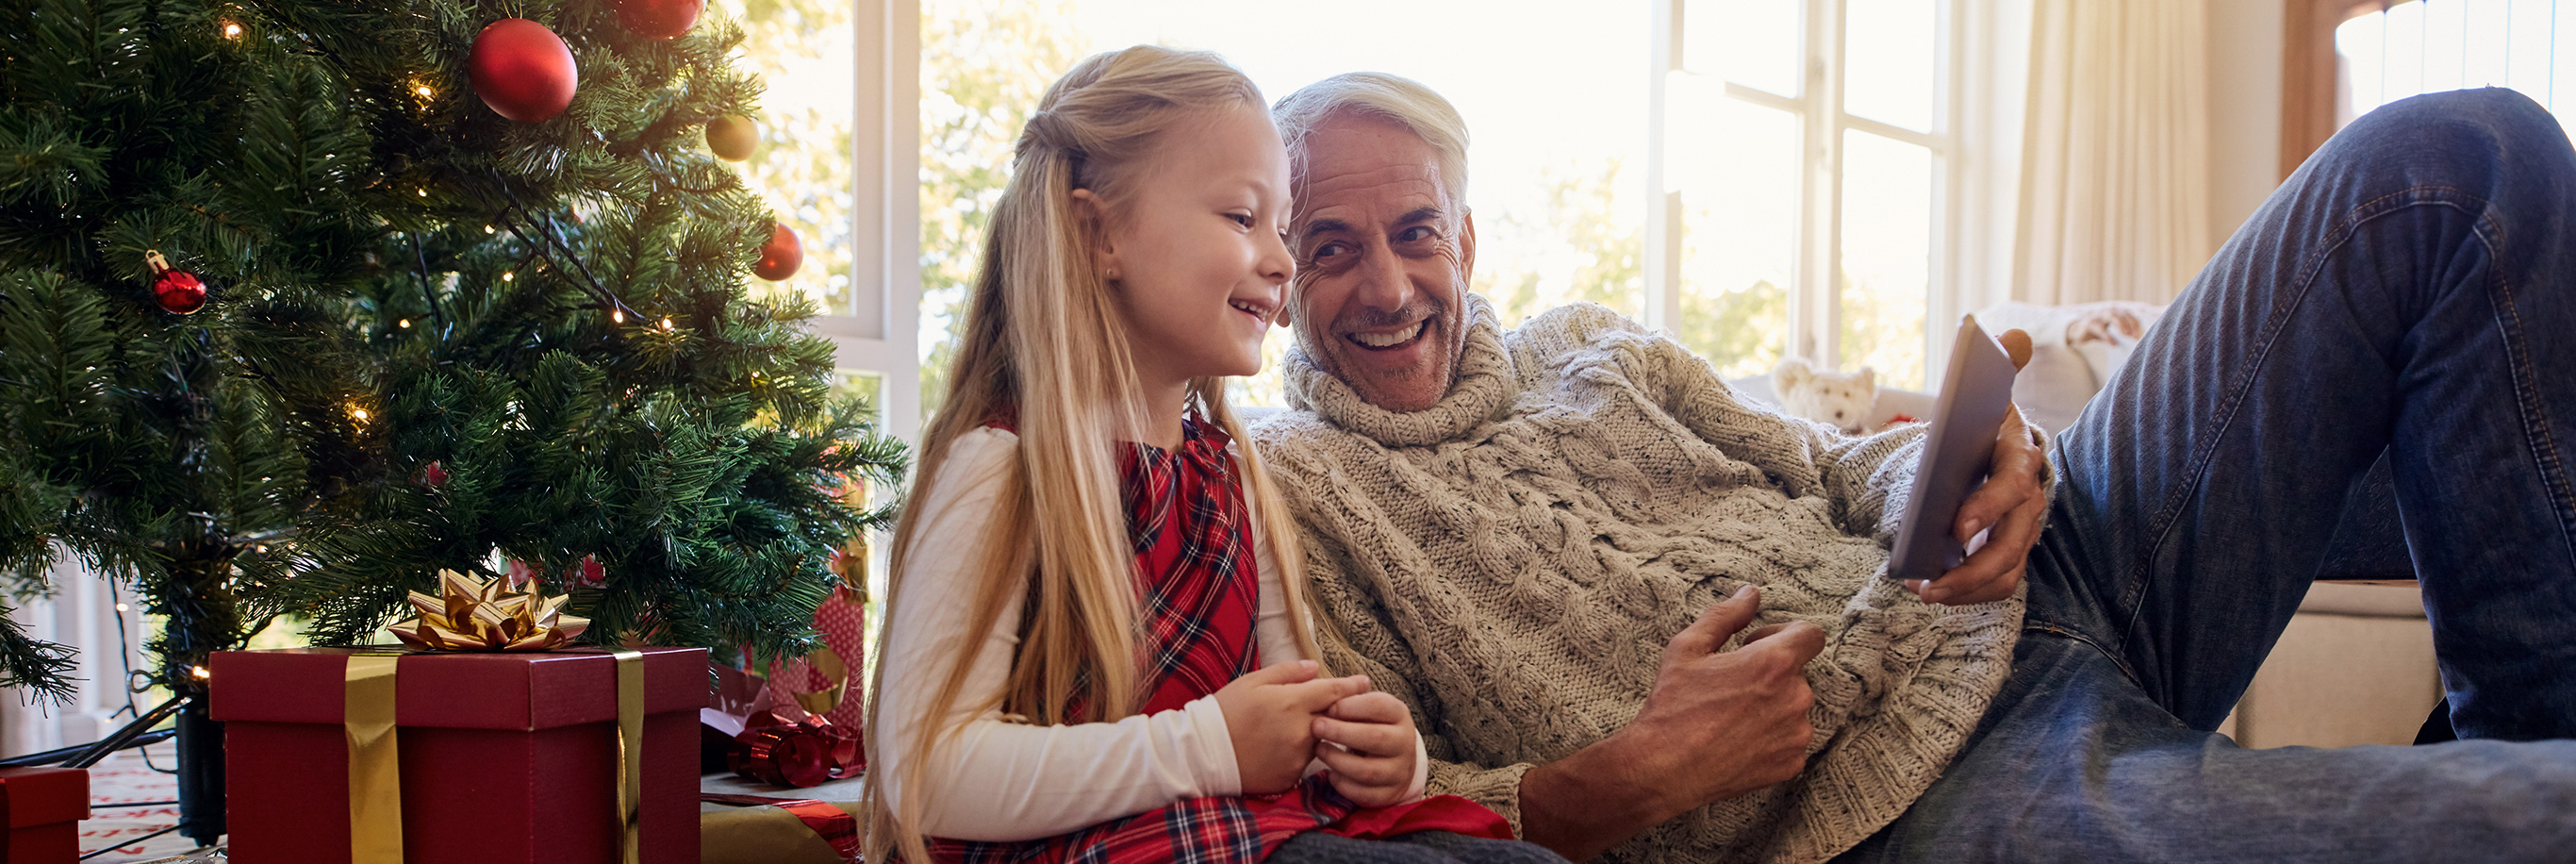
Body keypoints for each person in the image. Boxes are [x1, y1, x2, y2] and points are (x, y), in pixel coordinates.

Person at [1252, 70, 2576, 864]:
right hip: (1904, 797)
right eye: (1328, 247)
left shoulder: (1590, 345)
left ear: (1468, 240)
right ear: (1277, 270)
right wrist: (1636, 773)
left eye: (1414, 231)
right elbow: (1375, 812)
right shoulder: (1294, 497)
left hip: (2047, 574)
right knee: (2536, 816)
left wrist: (1976, 468)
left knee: (2458, 161)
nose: (1387, 285)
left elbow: (1832, 467)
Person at [861, 47, 1569, 864]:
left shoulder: (1229, 474)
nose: (1282, 259)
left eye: (1281, 226)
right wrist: (1205, 747)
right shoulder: (1004, 465)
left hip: (1242, 836)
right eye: (1242, 219)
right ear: (1100, 237)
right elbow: (924, 772)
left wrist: (1379, 759)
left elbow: (1290, 718)